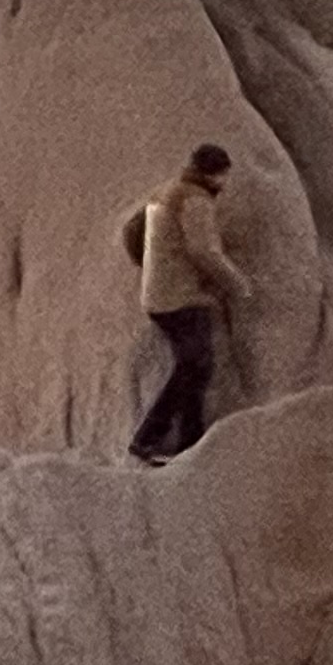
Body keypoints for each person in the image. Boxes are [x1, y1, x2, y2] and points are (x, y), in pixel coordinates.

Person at [119, 143, 240, 463]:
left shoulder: (168, 191)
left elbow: (131, 231)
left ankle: (188, 438)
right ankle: (151, 439)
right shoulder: (196, 201)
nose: (226, 182)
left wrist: (154, 265)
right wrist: (237, 283)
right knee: (193, 366)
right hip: (181, 298)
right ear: (213, 174)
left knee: (196, 365)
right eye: (224, 174)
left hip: (158, 295)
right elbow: (205, 251)